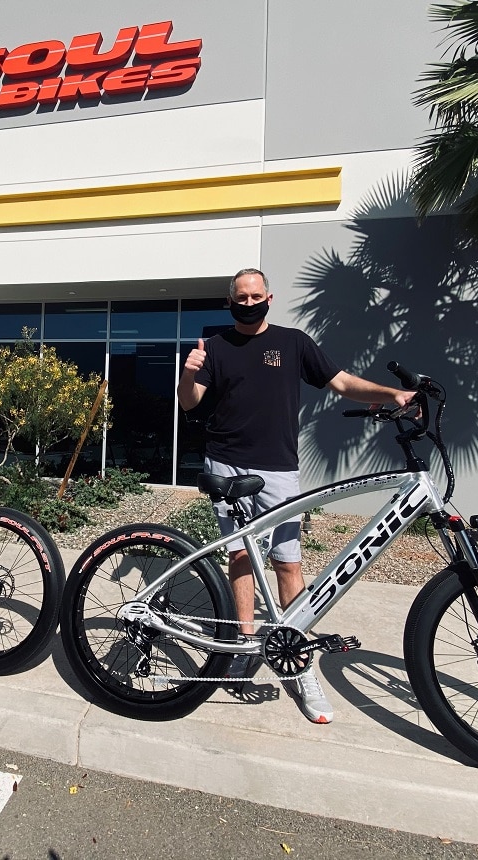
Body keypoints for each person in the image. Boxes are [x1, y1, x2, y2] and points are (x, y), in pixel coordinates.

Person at [176, 267, 411, 724]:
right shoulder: (217, 348)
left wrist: (392, 394)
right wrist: (188, 375)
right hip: (225, 462)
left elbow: (341, 382)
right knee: (242, 558)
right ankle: (246, 646)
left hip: (279, 469)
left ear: (270, 297)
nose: (248, 303)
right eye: (240, 298)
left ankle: (299, 664)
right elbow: (190, 403)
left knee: (287, 561)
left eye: (255, 296)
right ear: (230, 302)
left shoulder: (293, 343)